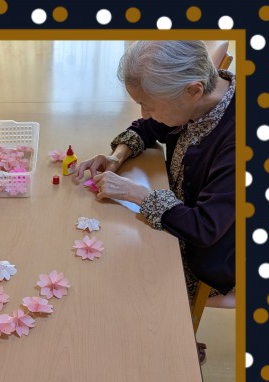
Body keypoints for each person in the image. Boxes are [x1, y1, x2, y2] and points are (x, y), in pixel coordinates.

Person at [76, 40, 235, 308]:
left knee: (119, 293)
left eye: (148, 105)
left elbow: (205, 228)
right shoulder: (199, 96)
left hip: (214, 255)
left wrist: (136, 193)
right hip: (182, 218)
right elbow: (150, 127)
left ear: (193, 91)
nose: (144, 113)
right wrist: (117, 156)